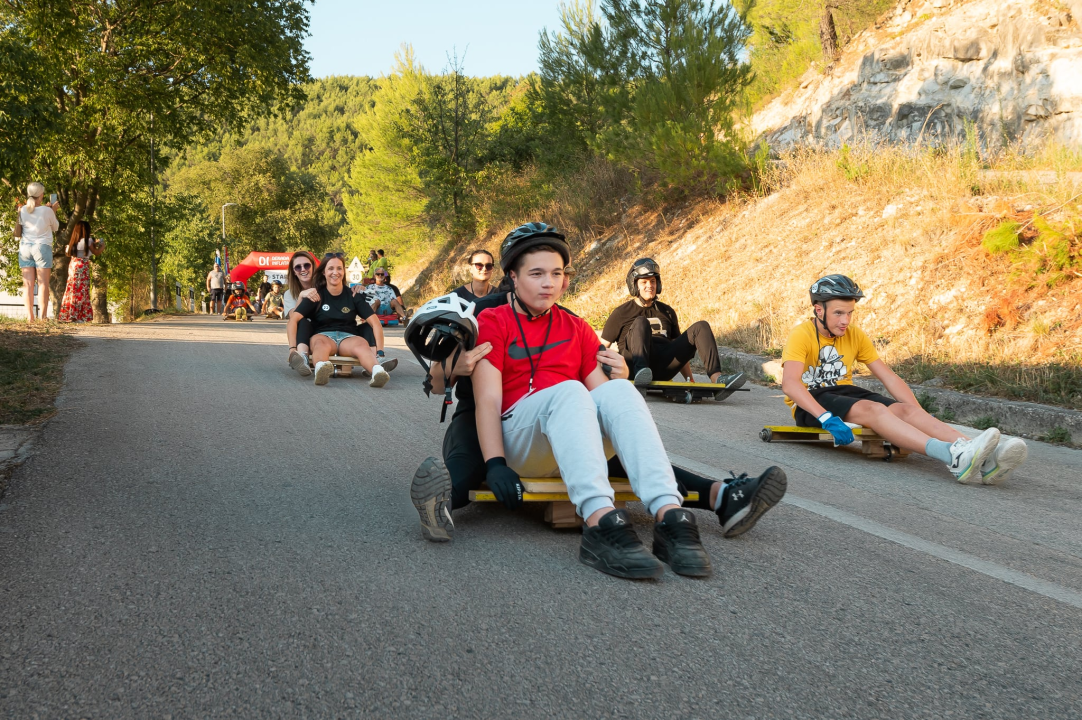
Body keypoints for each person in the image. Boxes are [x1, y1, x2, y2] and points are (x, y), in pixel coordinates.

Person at [407, 278, 787, 549]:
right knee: (468, 467)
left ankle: (722, 497)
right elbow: (437, 384)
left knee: (620, 451)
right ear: (515, 277)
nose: (545, 285)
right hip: (485, 420)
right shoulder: (484, 315)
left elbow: (598, 391)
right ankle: (440, 501)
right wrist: (453, 369)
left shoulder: (568, 322)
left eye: (554, 274)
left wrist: (618, 375)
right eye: (536, 274)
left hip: (557, 419)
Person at [781, 274, 1026, 485]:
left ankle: (982, 458)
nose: (845, 320)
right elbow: (791, 383)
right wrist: (825, 417)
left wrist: (916, 416)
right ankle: (953, 456)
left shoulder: (854, 335)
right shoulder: (801, 334)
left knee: (905, 409)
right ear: (818, 310)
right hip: (811, 402)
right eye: (838, 313)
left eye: (849, 313)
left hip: (844, 392)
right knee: (873, 409)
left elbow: (888, 376)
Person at [602, 258, 745, 393]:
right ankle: (642, 374)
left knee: (701, 326)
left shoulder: (667, 312)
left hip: (664, 366)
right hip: (633, 366)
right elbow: (600, 348)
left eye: (652, 281)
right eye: (644, 282)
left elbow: (679, 347)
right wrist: (598, 378)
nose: (649, 286)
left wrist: (690, 380)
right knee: (640, 321)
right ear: (634, 285)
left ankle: (717, 379)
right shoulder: (621, 313)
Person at [292, 254, 393, 387]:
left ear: (344, 271)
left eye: (339, 268)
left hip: (348, 337)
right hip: (324, 335)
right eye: (331, 268)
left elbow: (375, 323)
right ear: (324, 272)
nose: (335, 272)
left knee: (362, 345)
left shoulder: (353, 295)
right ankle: (321, 368)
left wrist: (380, 352)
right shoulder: (316, 295)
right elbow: (293, 320)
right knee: (319, 344)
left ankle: (377, 370)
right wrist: (292, 349)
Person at [14, 182, 60, 321]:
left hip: (25, 248)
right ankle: (44, 317)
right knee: (43, 283)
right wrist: (53, 211)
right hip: (42, 247)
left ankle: (30, 317)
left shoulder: (22, 210)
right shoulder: (47, 211)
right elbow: (56, 227)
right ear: (41, 195)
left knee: (27, 284)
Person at [58, 220, 102, 323]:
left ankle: (69, 314)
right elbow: (96, 252)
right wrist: (102, 246)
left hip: (73, 264)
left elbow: (68, 252)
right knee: (82, 289)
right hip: (83, 264)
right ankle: (80, 316)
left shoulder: (73, 242)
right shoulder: (88, 240)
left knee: (72, 288)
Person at [285, 251, 319, 376]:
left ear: (313, 267)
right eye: (298, 267)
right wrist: (301, 297)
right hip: (303, 332)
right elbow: (293, 319)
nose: (303, 269)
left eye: (307, 265)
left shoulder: (323, 287)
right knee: (302, 321)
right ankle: (298, 356)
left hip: (323, 328)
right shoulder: (289, 294)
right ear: (294, 271)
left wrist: (358, 288)